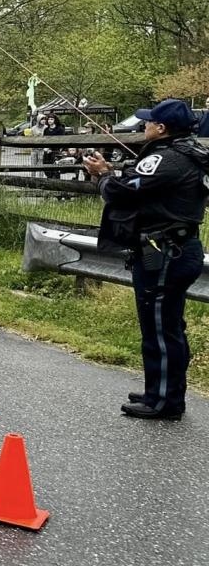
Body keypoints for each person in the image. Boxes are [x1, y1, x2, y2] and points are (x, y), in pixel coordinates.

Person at [83, 99, 209, 420]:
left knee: (161, 329)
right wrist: (113, 171)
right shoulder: (184, 154)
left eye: (150, 122)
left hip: (166, 253)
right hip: (176, 249)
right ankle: (160, 390)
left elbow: (123, 192)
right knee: (166, 325)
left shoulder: (166, 159)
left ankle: (164, 402)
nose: (145, 125)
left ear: (162, 128)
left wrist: (101, 177)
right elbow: (142, 182)